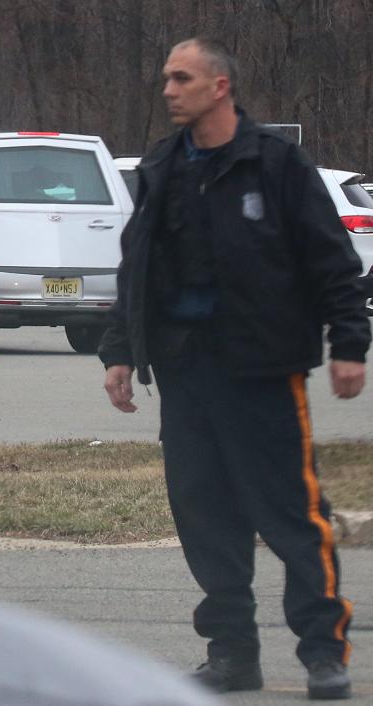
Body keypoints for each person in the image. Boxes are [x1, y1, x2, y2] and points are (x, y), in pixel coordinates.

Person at [98, 37, 370, 700]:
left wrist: (349, 344)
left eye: (181, 78)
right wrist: (118, 351)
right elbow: (137, 266)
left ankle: (322, 653)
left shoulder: (273, 163)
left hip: (263, 371)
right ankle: (231, 654)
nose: (168, 89)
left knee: (292, 515)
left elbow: (331, 260)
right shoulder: (163, 165)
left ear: (220, 86)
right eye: (166, 78)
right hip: (189, 374)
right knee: (205, 515)